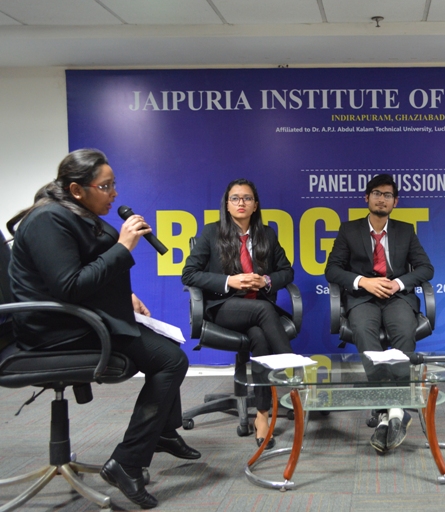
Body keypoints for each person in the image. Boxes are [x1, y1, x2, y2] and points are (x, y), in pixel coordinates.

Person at [8, 149, 199, 510]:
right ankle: (126, 463)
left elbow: (81, 267)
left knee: (166, 346)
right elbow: (70, 286)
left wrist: (124, 294)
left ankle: (161, 431)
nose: (114, 193)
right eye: (105, 186)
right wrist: (124, 246)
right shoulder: (48, 220)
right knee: (170, 361)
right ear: (77, 190)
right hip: (56, 330)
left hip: (80, 316)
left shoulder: (73, 213)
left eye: (114, 185)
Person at [324, 174, 434, 455]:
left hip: (397, 297)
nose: (381, 199)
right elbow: (332, 270)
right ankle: (394, 410)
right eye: (376, 193)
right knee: (363, 331)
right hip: (363, 298)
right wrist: (363, 281)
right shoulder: (349, 230)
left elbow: (426, 268)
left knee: (404, 331)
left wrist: (398, 283)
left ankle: (389, 412)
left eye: (387, 195)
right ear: (366, 198)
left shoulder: (405, 231)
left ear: (395, 202)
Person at [181, 179, 294, 449]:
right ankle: (293, 375)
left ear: (255, 205)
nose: (241, 202)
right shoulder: (212, 232)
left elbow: (287, 271)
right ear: (227, 205)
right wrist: (229, 281)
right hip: (224, 308)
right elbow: (189, 274)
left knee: (260, 338)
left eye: (247, 198)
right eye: (235, 198)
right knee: (265, 310)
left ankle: (262, 416)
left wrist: (265, 281)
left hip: (257, 310)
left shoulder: (267, 234)